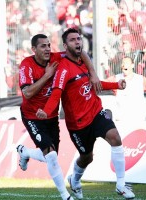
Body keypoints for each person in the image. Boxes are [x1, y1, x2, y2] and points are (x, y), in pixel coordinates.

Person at [36, 28, 135, 200]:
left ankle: (121, 184)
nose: (78, 42)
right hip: (78, 124)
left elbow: (94, 84)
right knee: (86, 157)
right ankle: (75, 179)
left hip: (96, 112)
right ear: (65, 45)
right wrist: (46, 111)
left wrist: (116, 85)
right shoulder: (63, 69)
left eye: (79, 39)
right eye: (73, 40)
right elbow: (56, 93)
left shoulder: (83, 60)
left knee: (115, 137)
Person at [17, 33, 101, 200]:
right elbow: (26, 93)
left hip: (51, 116)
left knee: (50, 155)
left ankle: (25, 152)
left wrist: (93, 73)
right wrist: (47, 76)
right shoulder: (26, 65)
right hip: (32, 116)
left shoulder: (56, 57)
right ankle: (65, 196)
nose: (48, 49)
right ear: (34, 49)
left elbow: (80, 52)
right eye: (43, 46)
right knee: (51, 155)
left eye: (49, 45)